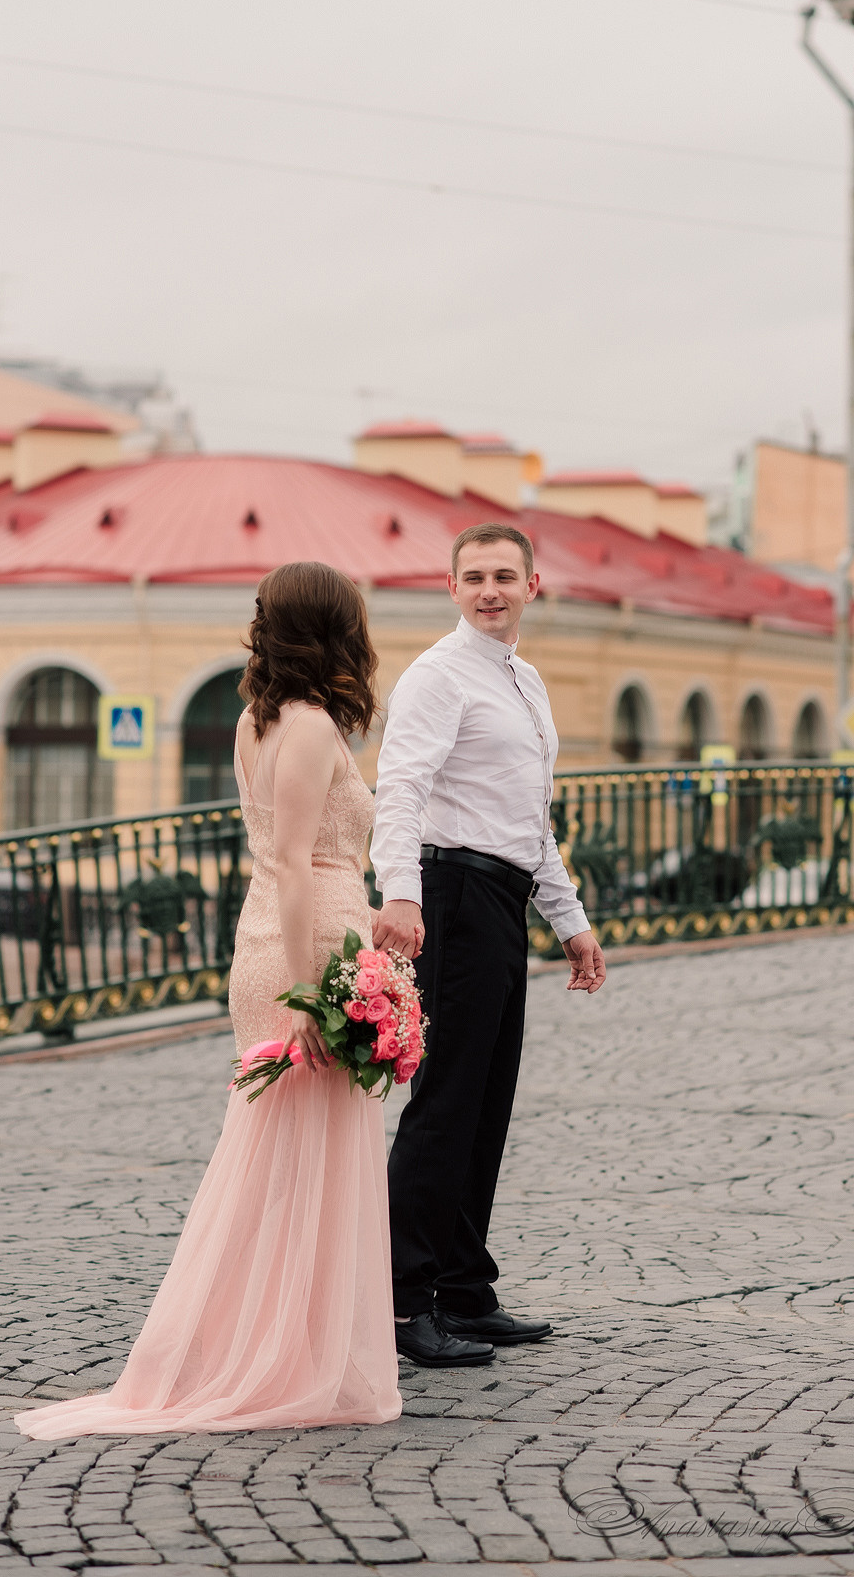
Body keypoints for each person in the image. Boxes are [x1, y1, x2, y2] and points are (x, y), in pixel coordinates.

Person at [16, 562, 404, 1439]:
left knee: (292, 1158)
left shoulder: (258, 720)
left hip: (300, 936)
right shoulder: (306, 728)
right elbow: (299, 861)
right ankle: (269, 1359)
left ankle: (284, 1346)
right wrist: (311, 994)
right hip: (301, 956)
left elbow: (294, 856)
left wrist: (372, 916)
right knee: (294, 1155)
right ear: (336, 630)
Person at [372, 523, 607, 1370]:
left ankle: (465, 1289)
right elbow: (399, 786)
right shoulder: (437, 676)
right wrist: (400, 892)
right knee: (444, 1105)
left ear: (533, 586)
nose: (489, 590)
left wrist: (568, 922)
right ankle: (401, 1304)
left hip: (502, 899)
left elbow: (530, 823)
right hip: (451, 896)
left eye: (505, 575)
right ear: (451, 587)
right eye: (473, 577)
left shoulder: (526, 682)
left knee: (486, 1103)